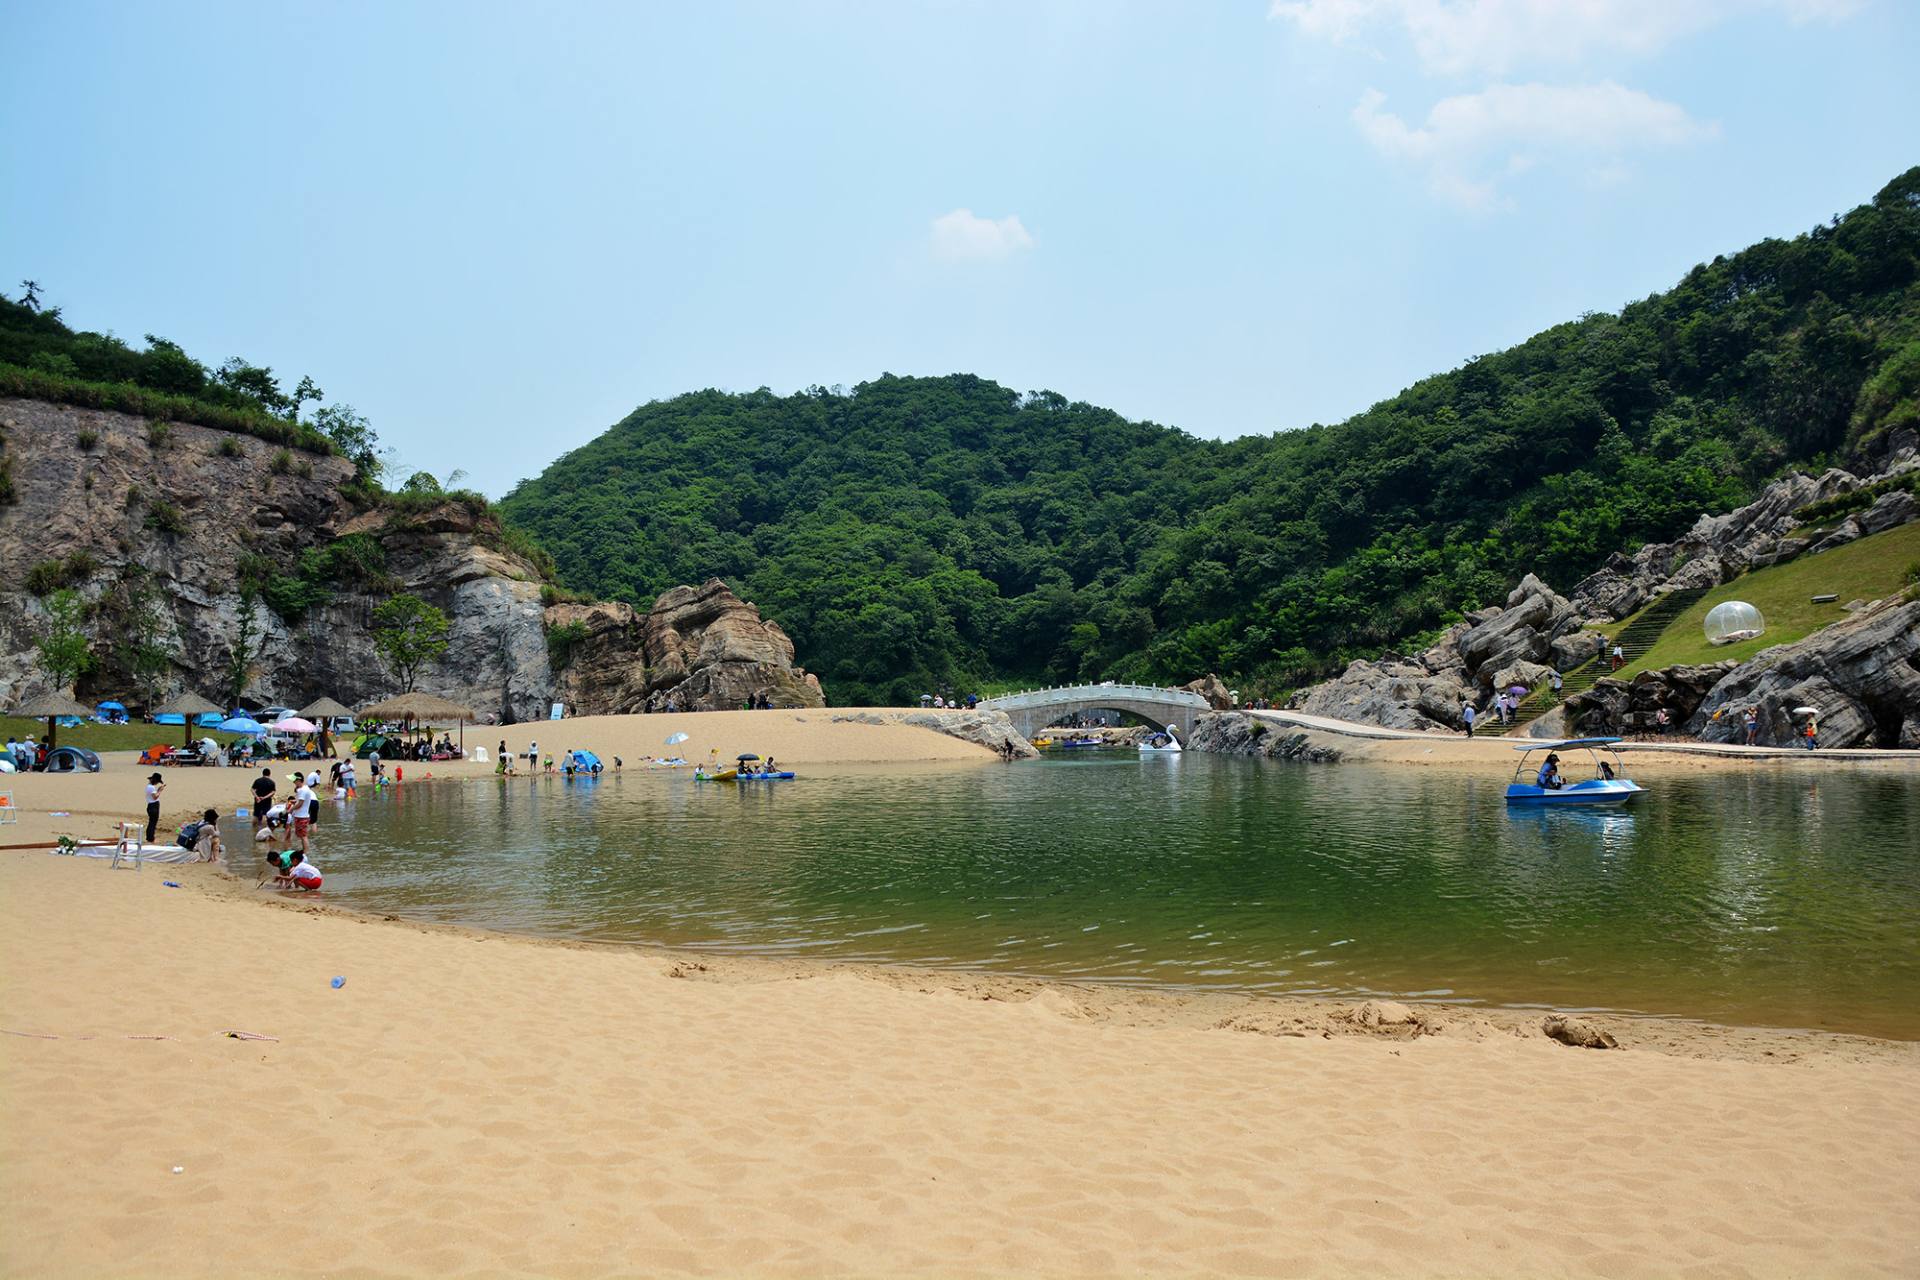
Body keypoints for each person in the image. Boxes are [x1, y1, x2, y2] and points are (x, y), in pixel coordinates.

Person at [292, 772, 317, 855]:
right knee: (302, 835)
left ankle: (305, 852)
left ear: (299, 780)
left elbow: (300, 804)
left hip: (302, 816)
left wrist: (290, 809)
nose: (293, 783)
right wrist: (294, 802)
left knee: (303, 836)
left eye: (294, 781)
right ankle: (304, 851)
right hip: (302, 815)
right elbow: (300, 802)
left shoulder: (303, 790)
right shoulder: (305, 789)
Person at [144, 772, 165, 843]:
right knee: (153, 823)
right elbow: (155, 797)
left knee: (152, 822)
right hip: (153, 806)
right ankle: (151, 838)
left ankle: (150, 837)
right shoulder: (151, 787)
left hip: (152, 805)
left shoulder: (149, 787)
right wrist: (160, 790)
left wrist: (158, 790)